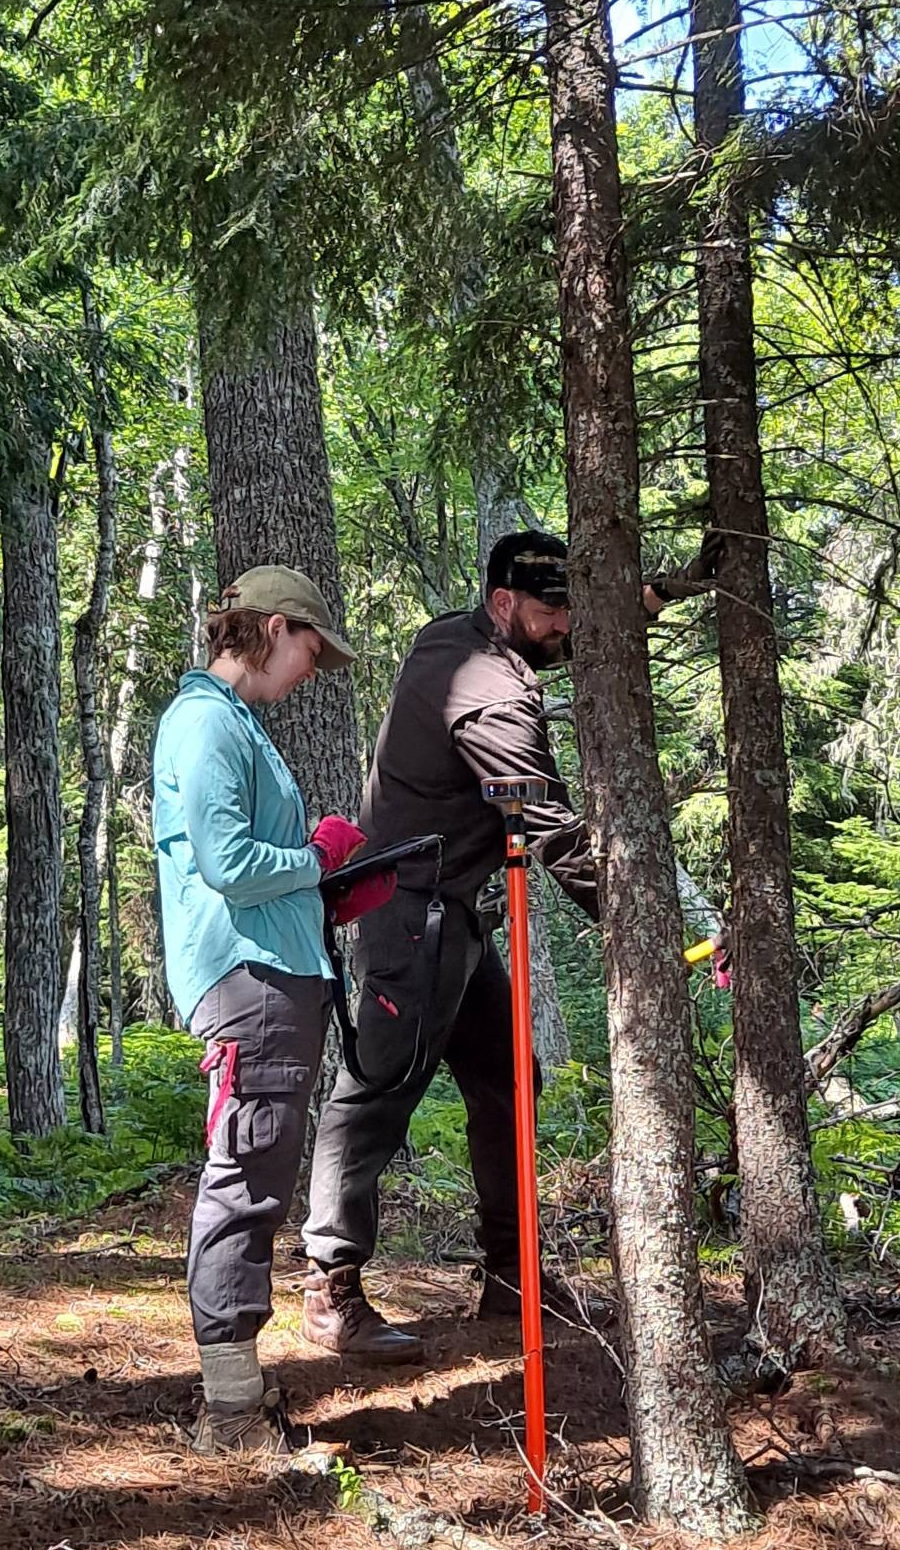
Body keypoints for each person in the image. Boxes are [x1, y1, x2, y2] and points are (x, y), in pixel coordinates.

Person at [300, 530, 717, 1363]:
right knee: (377, 1088)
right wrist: (647, 933)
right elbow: (556, 832)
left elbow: (572, 636)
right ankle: (327, 1284)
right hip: (410, 914)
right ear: (504, 604)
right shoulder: (488, 698)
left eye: (572, 606)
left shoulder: (462, 637)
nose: (565, 625)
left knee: (507, 1081)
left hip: (450, 910)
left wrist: (665, 591)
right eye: (551, 608)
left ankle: (510, 1272)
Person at [153, 564, 379, 1452]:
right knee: (246, 1178)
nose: (313, 674)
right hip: (247, 981)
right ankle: (233, 1416)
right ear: (277, 628)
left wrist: (329, 889)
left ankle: (237, 1401)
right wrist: (318, 861)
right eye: (313, 653)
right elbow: (229, 865)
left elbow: (258, 871)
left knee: (259, 1175)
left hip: (274, 968)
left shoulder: (235, 723)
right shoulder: (207, 720)